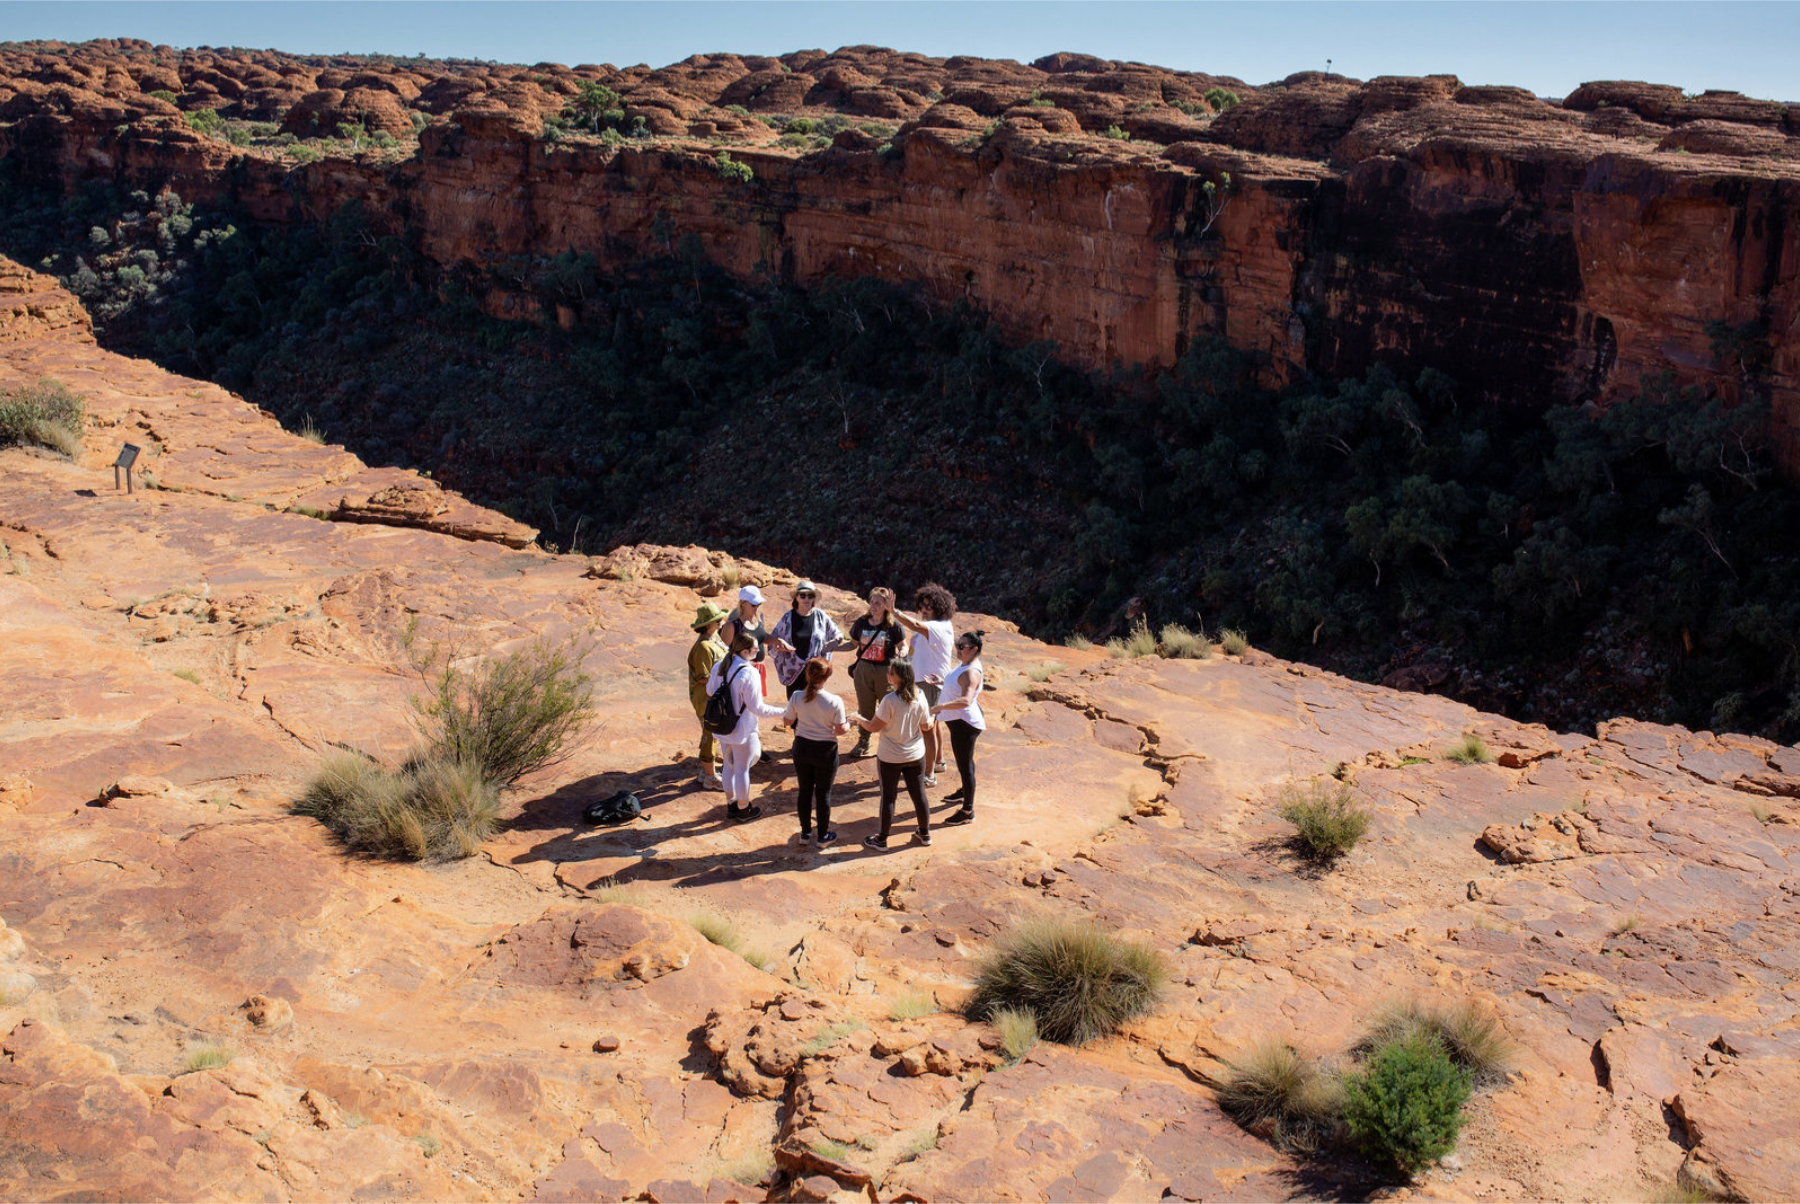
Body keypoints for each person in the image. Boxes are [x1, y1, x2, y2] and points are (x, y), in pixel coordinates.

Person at [849, 659, 932, 850]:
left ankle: (882, 839)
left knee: (888, 797)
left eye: (891, 673)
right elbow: (926, 726)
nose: (888, 675)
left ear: (901, 678)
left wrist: (858, 718)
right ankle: (925, 833)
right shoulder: (920, 696)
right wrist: (934, 717)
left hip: (891, 757)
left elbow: (873, 727)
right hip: (915, 755)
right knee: (919, 794)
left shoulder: (890, 700)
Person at [705, 633, 786, 821]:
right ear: (745, 651)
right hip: (742, 729)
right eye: (755, 649)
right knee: (742, 769)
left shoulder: (719, 666)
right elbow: (758, 708)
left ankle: (731, 804)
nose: (758, 652)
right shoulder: (749, 673)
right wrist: (784, 711)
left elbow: (710, 691)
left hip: (722, 726)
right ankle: (743, 809)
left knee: (728, 766)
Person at [781, 658, 850, 846]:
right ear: (827, 677)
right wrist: (852, 723)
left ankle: (805, 833)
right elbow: (840, 730)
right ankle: (822, 835)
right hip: (825, 751)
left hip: (802, 747)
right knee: (823, 793)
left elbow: (787, 721)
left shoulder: (796, 696)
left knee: (804, 791)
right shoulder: (835, 701)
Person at [894, 583, 956, 785]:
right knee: (933, 725)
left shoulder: (939, 627)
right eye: (923, 604)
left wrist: (892, 611)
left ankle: (928, 775)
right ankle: (938, 761)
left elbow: (914, 625)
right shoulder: (929, 629)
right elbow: (915, 651)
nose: (925, 608)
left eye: (930, 605)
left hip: (930, 684)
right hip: (921, 681)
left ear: (940, 607)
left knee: (927, 728)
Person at [932, 630, 986, 826]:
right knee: (966, 762)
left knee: (965, 766)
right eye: (957, 644)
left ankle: (967, 811)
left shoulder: (971, 672)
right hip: (960, 723)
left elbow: (965, 699)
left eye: (962, 646)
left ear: (974, 649)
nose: (958, 649)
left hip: (964, 725)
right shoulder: (966, 664)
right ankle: (964, 791)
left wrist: (940, 707)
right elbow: (957, 683)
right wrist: (941, 682)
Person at [845, 587, 906, 758]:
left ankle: (893, 743)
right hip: (863, 669)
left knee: (889, 706)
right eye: (872, 602)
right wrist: (833, 646)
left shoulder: (893, 626)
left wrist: (903, 653)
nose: (874, 606)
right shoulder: (861, 622)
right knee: (865, 707)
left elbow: (903, 645)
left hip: (885, 671)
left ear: (886, 605)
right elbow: (853, 644)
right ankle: (864, 742)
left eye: (878, 603)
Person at [769, 581, 852, 699]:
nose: (806, 599)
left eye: (810, 595)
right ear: (796, 597)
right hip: (794, 672)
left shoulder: (821, 616)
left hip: (815, 672)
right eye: (802, 595)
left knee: (813, 709)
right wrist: (779, 647)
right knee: (795, 710)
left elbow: (837, 633)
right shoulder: (788, 618)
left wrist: (835, 641)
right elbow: (773, 639)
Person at [720, 585, 775, 763]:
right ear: (743, 604)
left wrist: (778, 640)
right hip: (740, 675)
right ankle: (734, 749)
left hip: (757, 671)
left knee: (754, 708)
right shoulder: (733, 624)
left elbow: (761, 637)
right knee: (739, 709)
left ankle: (754, 746)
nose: (757, 606)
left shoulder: (757, 618)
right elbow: (725, 652)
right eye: (753, 604)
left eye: (758, 603)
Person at [686, 601, 730, 790]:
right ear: (708, 623)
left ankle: (706, 771)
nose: (721, 621)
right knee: (710, 733)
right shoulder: (704, 647)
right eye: (717, 619)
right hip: (707, 699)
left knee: (713, 733)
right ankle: (710, 777)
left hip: (715, 696)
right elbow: (704, 677)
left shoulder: (714, 640)